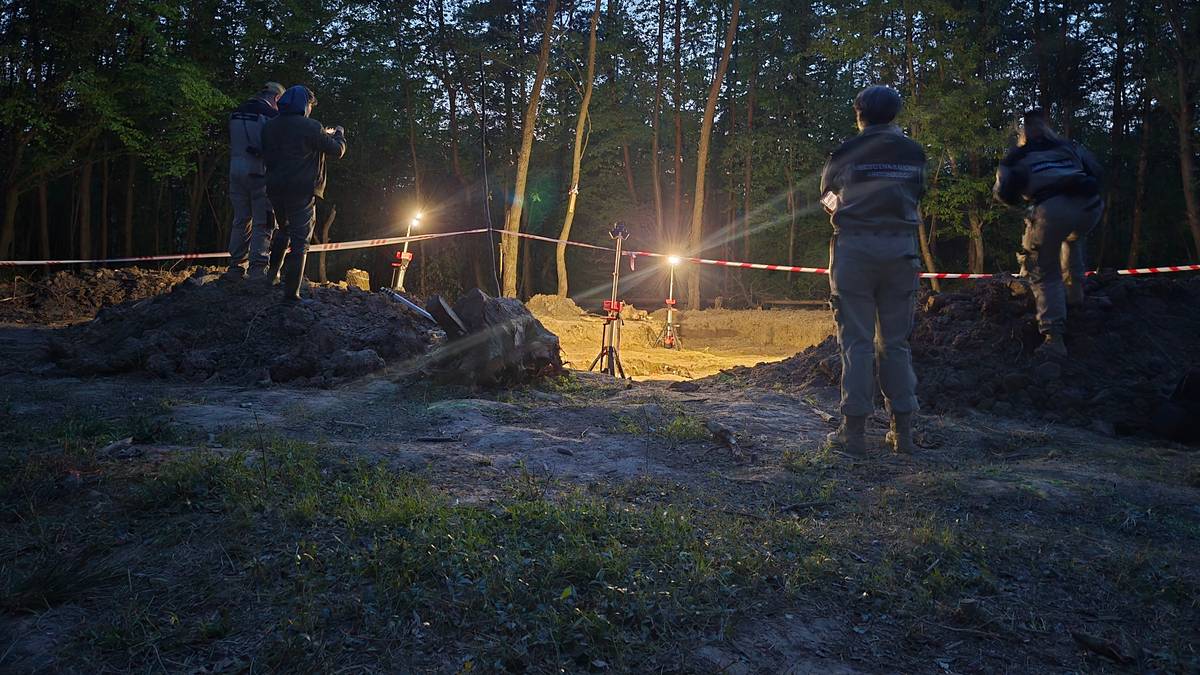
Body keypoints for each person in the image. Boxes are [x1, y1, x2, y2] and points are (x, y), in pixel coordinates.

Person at [819, 85, 926, 456]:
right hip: (900, 251)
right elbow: (917, 192)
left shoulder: (846, 152)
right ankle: (904, 432)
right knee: (895, 343)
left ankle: (854, 433)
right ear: (895, 114)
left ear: (858, 113)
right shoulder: (913, 152)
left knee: (857, 343)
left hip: (855, 250)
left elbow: (826, 196)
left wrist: (845, 207)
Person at [993, 109, 1103, 358]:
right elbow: (1096, 171)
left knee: (1043, 271)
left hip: (1052, 208)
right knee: (1072, 237)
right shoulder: (1069, 147)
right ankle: (1075, 293)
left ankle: (1053, 338)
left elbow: (1003, 193)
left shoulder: (1016, 156)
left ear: (1023, 132)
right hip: (1090, 204)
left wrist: (1023, 203)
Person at [260, 85, 347, 301]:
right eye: (309, 105)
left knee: (283, 231)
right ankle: (292, 294)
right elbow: (337, 150)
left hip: (274, 188)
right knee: (301, 241)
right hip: (301, 191)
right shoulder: (310, 126)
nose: (310, 109)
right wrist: (339, 134)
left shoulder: (270, 126)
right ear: (303, 105)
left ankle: (271, 277)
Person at [226, 82, 285, 280]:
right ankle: (258, 268)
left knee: (241, 219)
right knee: (264, 220)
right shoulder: (271, 116)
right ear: (276, 98)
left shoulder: (236, 112)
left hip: (235, 169)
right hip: (259, 171)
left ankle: (235, 267)